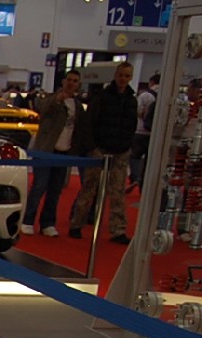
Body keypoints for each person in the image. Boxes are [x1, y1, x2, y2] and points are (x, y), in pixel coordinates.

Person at [68, 61, 138, 245]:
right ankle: (76, 224)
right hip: (100, 150)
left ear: (130, 77)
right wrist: (93, 147)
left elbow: (131, 125)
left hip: (120, 151)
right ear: (116, 75)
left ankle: (118, 229)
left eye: (127, 76)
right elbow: (88, 122)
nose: (123, 79)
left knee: (118, 192)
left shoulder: (131, 100)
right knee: (89, 188)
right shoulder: (102, 97)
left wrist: (127, 146)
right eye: (121, 75)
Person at [21, 70, 83, 237]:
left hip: (64, 152)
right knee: (39, 186)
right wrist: (57, 100)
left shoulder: (78, 105)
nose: (71, 83)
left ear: (78, 84)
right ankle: (27, 220)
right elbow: (42, 109)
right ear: (63, 81)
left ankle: (48, 223)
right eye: (69, 80)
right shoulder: (51, 98)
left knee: (55, 190)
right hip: (46, 150)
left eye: (75, 81)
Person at [130, 74, 158, 190]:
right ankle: (145, 181)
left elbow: (137, 111)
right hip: (155, 134)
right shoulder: (165, 95)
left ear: (151, 82)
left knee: (135, 156)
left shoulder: (145, 95)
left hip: (140, 130)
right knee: (149, 160)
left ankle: (136, 177)